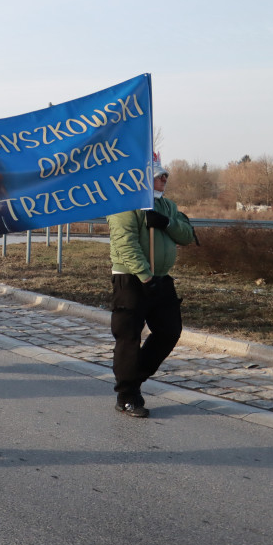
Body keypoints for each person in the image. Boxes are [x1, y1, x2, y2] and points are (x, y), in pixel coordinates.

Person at [107, 157, 196, 418]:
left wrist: (167, 222)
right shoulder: (126, 204)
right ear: (143, 178)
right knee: (129, 336)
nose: (164, 180)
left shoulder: (167, 206)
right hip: (132, 279)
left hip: (161, 278)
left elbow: (188, 235)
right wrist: (146, 277)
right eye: (159, 176)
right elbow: (125, 243)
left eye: (166, 176)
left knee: (169, 331)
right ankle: (126, 396)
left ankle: (133, 380)